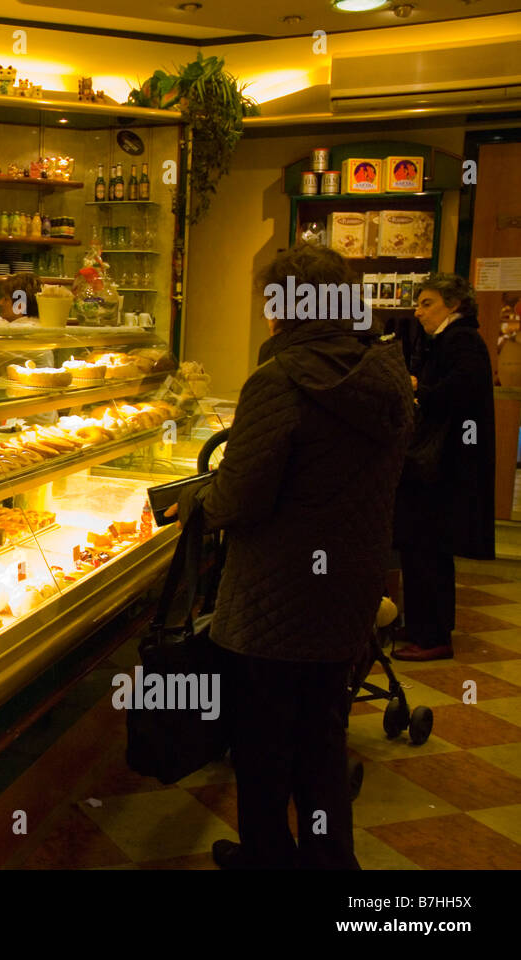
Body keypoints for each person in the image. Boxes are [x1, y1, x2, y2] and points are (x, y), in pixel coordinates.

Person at [174, 244, 414, 869]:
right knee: (321, 736)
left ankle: (267, 857)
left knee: (262, 740)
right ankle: (332, 861)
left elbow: (240, 498)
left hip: (276, 594)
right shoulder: (386, 373)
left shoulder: (279, 380)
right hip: (349, 587)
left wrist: (200, 498)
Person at [391, 274, 495, 661]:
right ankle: (422, 626)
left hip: (442, 468)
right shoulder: (451, 340)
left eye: (427, 303)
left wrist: (418, 387)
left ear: (454, 304)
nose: (418, 312)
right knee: (423, 550)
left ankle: (432, 634)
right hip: (442, 465)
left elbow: (460, 394)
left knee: (427, 550)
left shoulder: (462, 340)